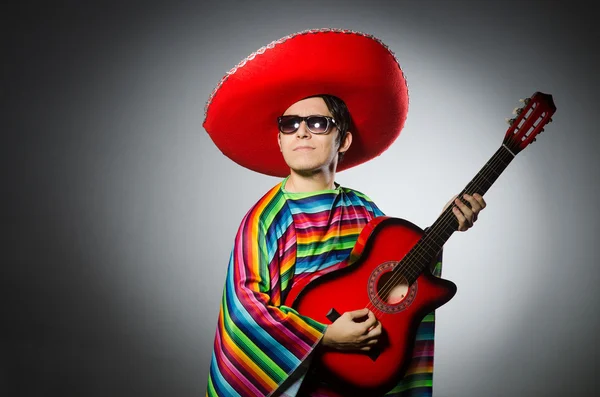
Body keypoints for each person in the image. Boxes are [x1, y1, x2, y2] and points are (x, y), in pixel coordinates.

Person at [203, 29, 486, 397]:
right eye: (289, 125)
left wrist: (447, 224)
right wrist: (323, 337)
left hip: (357, 385)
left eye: (317, 123)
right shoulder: (265, 220)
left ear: (344, 139)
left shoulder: (362, 209)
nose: (301, 132)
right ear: (279, 140)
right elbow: (245, 315)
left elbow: (399, 277)